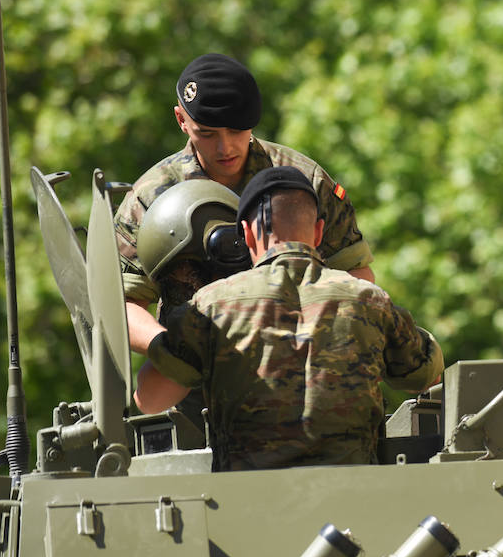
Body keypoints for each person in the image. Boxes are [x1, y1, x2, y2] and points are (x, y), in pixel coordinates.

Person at [134, 167, 442, 471]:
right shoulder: (368, 300)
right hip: (353, 502)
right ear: (319, 232)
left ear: (246, 234)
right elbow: (425, 375)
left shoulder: (210, 306)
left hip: (249, 506)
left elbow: (150, 399)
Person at [115, 52, 375, 354]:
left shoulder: (303, 181)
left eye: (237, 131)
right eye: (207, 133)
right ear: (181, 121)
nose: (225, 147)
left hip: (298, 372)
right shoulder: (151, 197)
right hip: (193, 382)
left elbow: (356, 277)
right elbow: (123, 304)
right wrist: (173, 355)